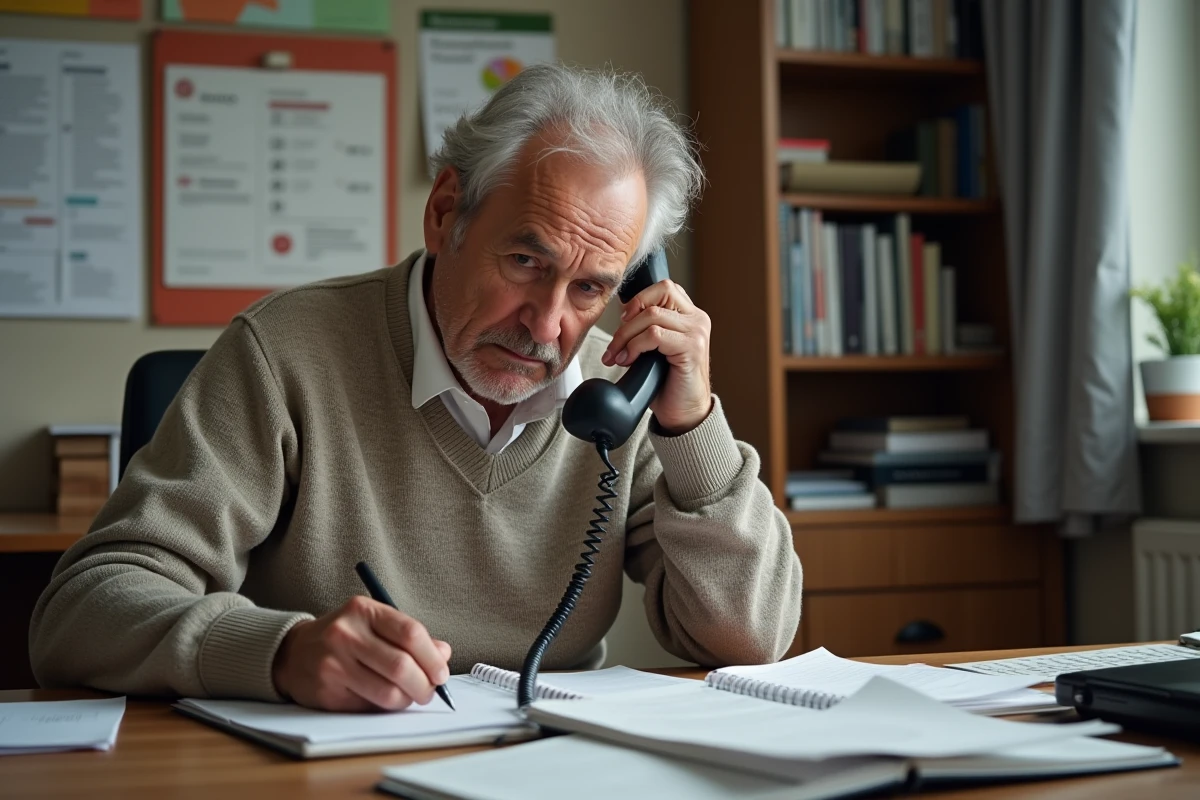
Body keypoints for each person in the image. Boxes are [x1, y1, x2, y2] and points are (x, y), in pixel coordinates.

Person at [30, 64, 802, 713]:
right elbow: (81, 613)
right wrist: (280, 652)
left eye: (591, 287)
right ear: (444, 215)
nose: (546, 325)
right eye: (526, 263)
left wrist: (691, 423)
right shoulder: (285, 353)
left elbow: (749, 639)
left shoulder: (616, 395)